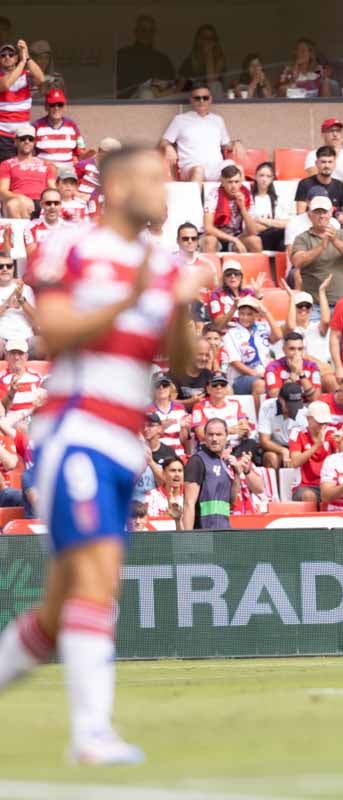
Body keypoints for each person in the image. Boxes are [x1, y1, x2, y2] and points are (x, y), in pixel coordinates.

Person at [0, 145, 201, 762]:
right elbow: (54, 332)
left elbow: (188, 363)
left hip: (124, 442)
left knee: (63, 611)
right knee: (94, 584)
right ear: (116, 189)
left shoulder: (161, 264)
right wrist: (133, 293)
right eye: (152, 179)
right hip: (75, 428)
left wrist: (180, 302)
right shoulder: (69, 244)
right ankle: (92, 734)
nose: (163, 191)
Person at [290, 195, 343, 306]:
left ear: (331, 213)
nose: (321, 216)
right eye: (317, 212)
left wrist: (334, 240)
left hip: (341, 302)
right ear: (310, 214)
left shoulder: (342, 234)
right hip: (314, 303)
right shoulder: (302, 238)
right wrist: (321, 247)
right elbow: (298, 262)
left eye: (324, 212)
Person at [160, 86, 231, 184]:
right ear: (191, 100)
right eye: (197, 98)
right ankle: (194, 200)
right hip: (190, 167)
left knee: (235, 169)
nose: (201, 101)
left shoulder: (218, 120)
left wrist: (237, 143)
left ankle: (243, 199)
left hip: (215, 167)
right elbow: (164, 141)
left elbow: (226, 144)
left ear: (210, 99)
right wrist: (168, 147)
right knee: (198, 170)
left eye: (205, 98)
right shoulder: (180, 119)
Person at [202, 163, 263, 253]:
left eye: (236, 182)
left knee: (256, 241)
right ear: (222, 183)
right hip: (217, 236)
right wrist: (234, 240)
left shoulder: (246, 195)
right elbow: (208, 228)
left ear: (241, 182)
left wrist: (243, 208)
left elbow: (253, 231)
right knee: (209, 241)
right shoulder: (213, 194)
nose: (234, 186)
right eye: (230, 182)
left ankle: (255, 267)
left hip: (237, 235)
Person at [0, 123, 55, 219]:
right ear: (16, 142)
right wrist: (20, 198)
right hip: (18, 201)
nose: (27, 141)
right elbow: (2, 190)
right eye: (22, 139)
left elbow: (52, 188)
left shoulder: (46, 164)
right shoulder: (6, 164)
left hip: (42, 202)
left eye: (30, 139)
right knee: (13, 205)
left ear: (34, 142)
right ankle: (21, 233)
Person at [116, 15, 174, 99]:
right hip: (127, 104)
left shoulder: (163, 60)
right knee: (146, 94)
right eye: (143, 30)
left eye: (150, 30)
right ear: (136, 32)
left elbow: (169, 87)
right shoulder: (122, 56)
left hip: (157, 103)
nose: (146, 33)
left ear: (154, 33)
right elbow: (117, 87)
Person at [176, 24, 225, 95]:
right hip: (193, 98)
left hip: (213, 98)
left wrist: (209, 54)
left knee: (216, 84)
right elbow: (179, 88)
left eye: (211, 38)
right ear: (198, 40)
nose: (208, 41)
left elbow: (211, 82)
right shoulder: (190, 61)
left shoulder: (219, 60)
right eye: (205, 37)